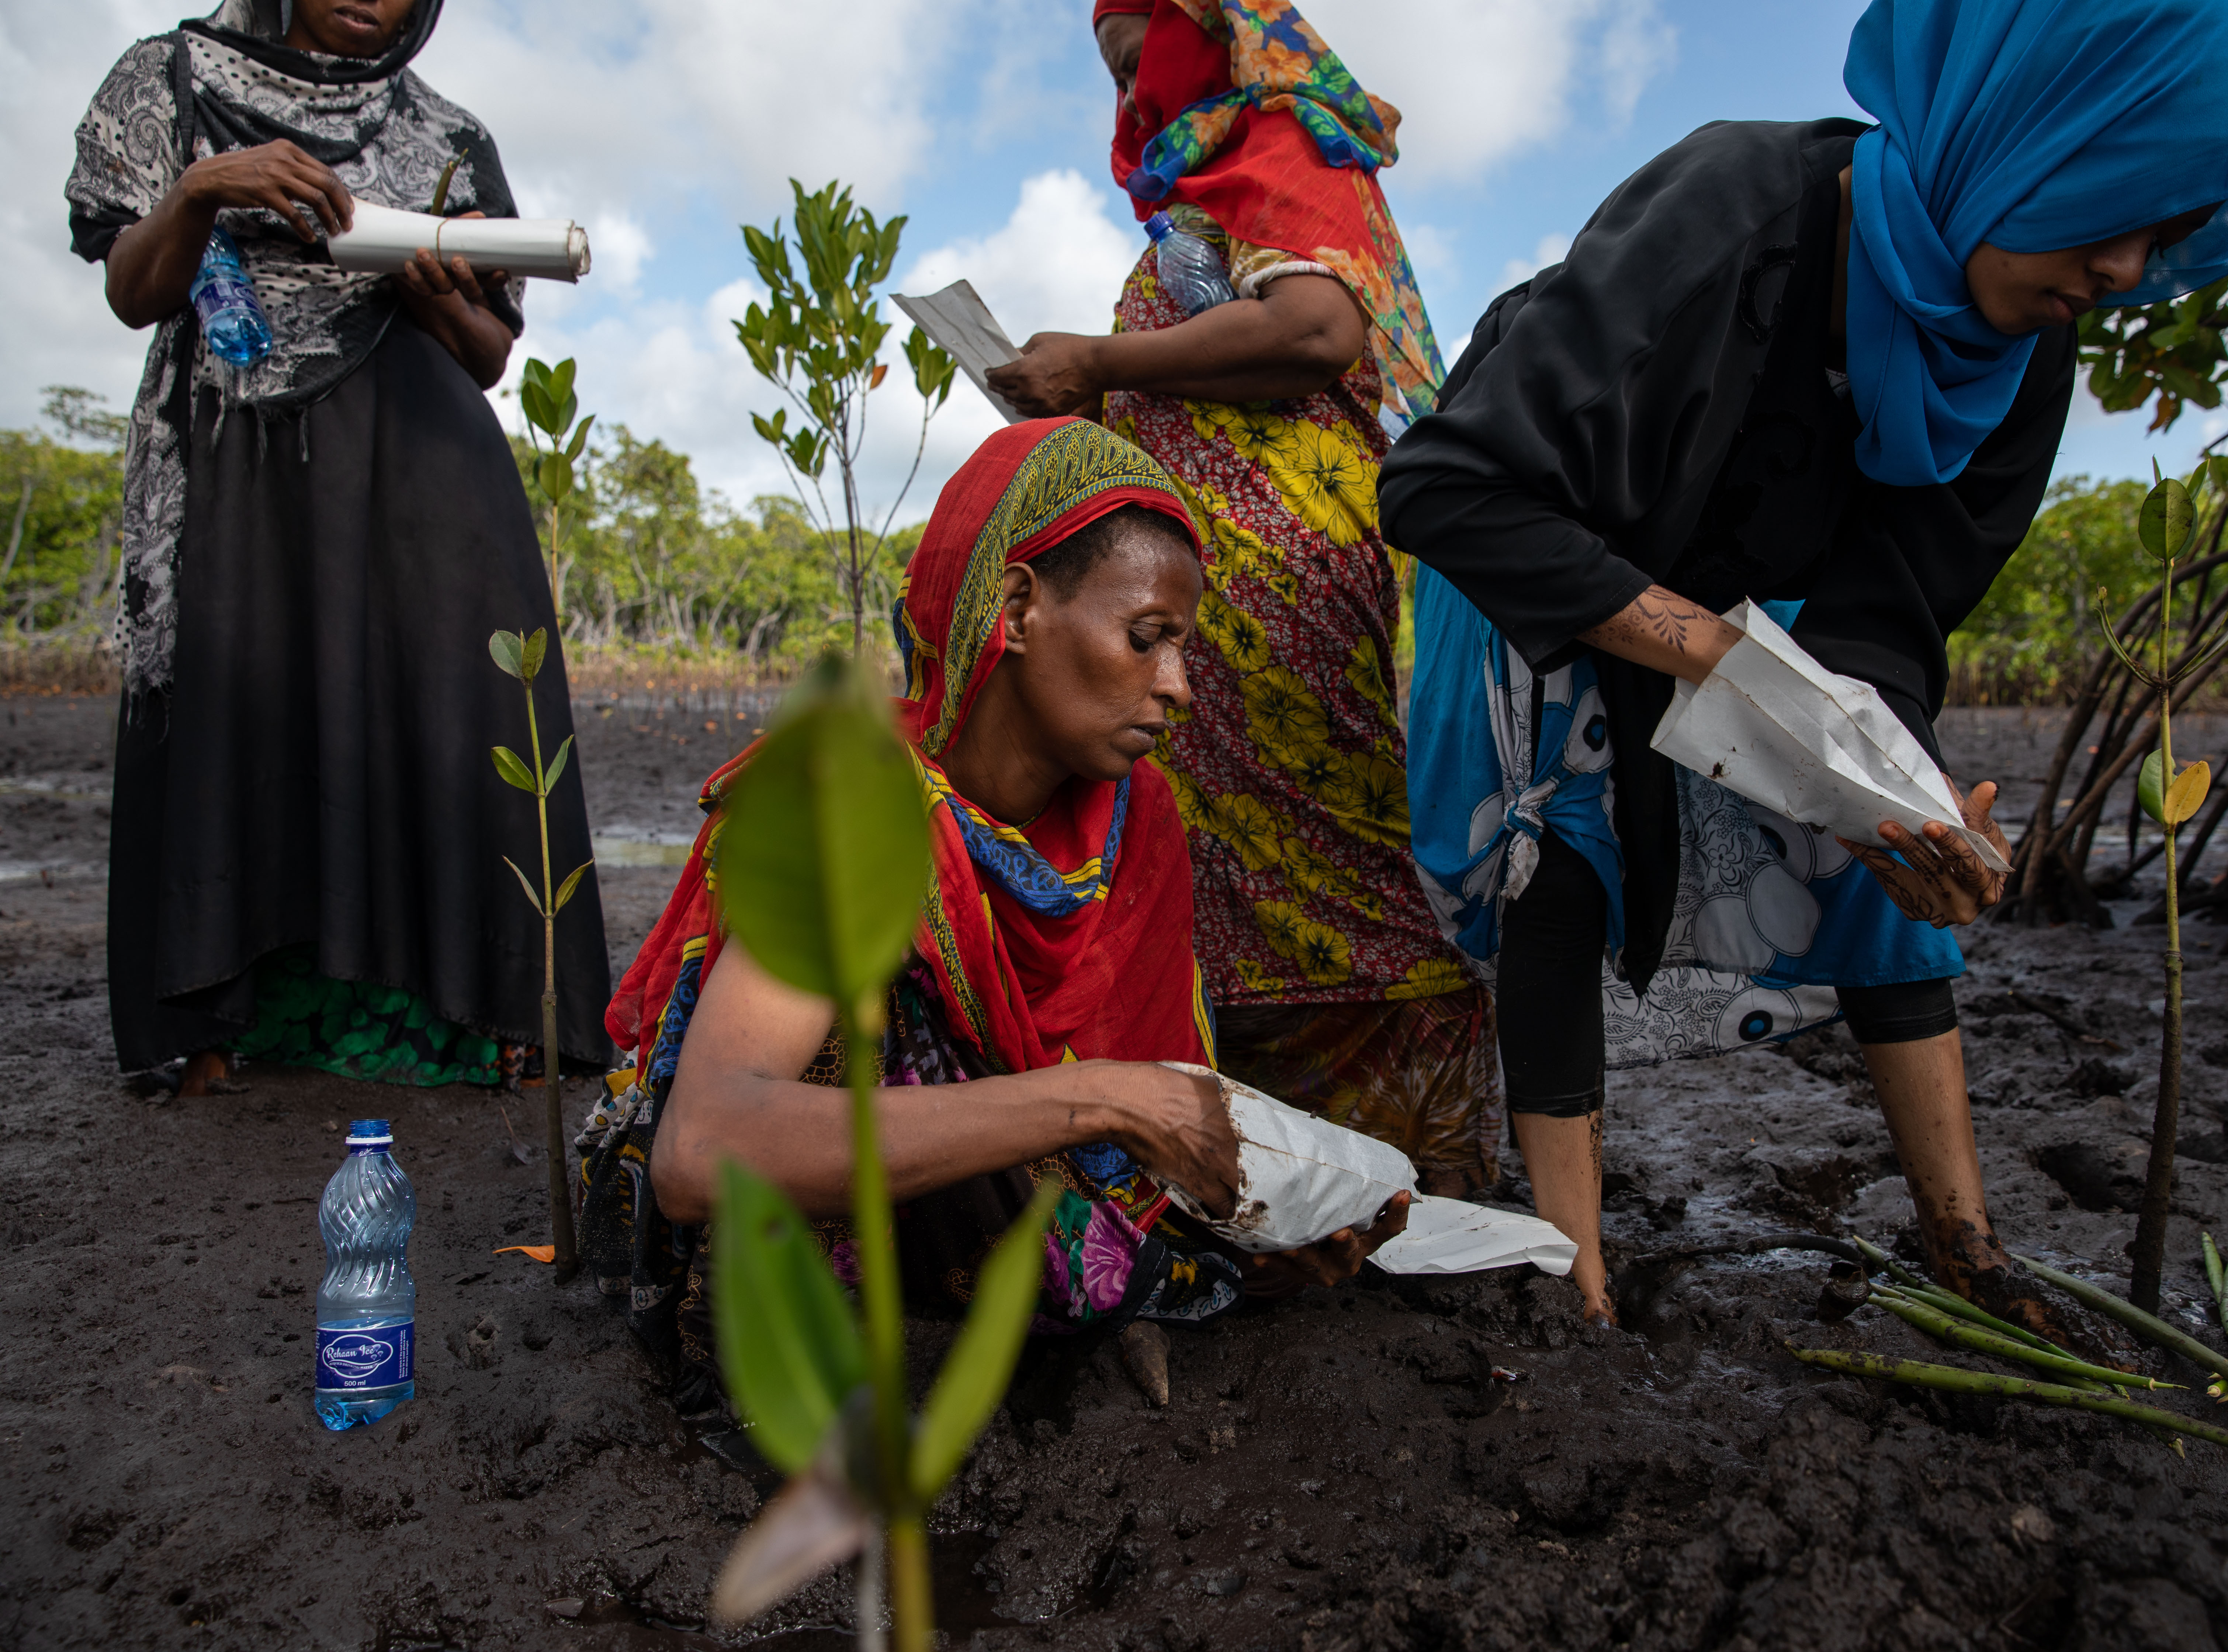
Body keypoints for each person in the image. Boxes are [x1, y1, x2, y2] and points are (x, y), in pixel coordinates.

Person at [1381, 0, 2228, 1326]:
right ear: (2024, 134)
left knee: (1888, 839)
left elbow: (1892, 608)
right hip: (1544, 548)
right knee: (1564, 838)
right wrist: (1709, 653)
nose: (2124, 267)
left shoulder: (2022, 346)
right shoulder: (1741, 202)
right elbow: (1448, 489)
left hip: (1741, 603)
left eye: (2161, 238)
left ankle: (1968, 1246)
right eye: (2113, 205)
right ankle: (1574, 1276)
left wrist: (1890, 772)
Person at [576, 418, 1409, 1417]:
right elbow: (703, 1150)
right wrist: (1108, 1101)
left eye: (1185, 649)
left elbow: (1149, 1091)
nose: (1180, 689)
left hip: (990, 1188)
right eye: (1147, 639)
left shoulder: (1135, 821)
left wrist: (1265, 1204)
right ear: (1016, 608)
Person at [986, 0, 1502, 1198]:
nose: (1129, 101)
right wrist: (1088, 408)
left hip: (1293, 585)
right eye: (1108, 79)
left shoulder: (1279, 139)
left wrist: (1103, 361)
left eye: (1138, 62)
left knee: (1344, 844)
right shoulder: (1193, 193)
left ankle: (1415, 1161)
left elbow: (1316, 328)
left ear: (1207, 31)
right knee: (1211, 864)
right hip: (1198, 597)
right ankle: (1257, 1158)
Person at [66, 0, 611, 1090]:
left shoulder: (447, 134)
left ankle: (475, 1015)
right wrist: (199, 189)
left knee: (455, 711)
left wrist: (432, 289)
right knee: (241, 704)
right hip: (235, 451)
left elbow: (490, 357)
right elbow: (135, 291)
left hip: (423, 467)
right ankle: (221, 1021)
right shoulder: (166, 81)